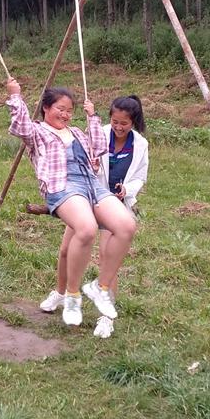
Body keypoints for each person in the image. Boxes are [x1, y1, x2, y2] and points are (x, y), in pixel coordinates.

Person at [6, 78, 136, 327]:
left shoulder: (76, 132)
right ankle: (72, 296)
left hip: (91, 184)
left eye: (69, 111)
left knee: (127, 226)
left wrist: (92, 117)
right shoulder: (37, 131)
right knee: (86, 229)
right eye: (60, 109)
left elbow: (99, 147)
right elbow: (20, 127)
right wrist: (15, 95)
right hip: (62, 186)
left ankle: (100, 287)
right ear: (46, 108)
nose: (65, 115)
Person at [40, 96, 148, 338]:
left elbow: (141, 176)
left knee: (108, 258)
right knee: (67, 250)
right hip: (86, 195)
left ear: (133, 122)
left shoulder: (140, 144)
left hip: (113, 202)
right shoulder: (99, 132)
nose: (118, 127)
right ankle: (61, 293)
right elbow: (84, 160)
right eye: (115, 122)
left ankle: (105, 317)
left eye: (124, 124)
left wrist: (127, 189)